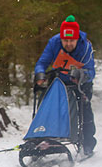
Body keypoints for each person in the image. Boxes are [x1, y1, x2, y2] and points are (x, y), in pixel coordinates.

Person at [34, 14, 96, 156]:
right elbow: (42, 63)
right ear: (60, 38)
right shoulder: (53, 43)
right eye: (65, 40)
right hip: (59, 81)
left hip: (81, 84)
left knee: (84, 110)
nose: (68, 44)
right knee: (46, 105)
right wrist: (40, 74)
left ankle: (88, 144)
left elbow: (91, 71)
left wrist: (82, 74)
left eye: (71, 40)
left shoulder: (85, 46)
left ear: (77, 39)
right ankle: (43, 139)